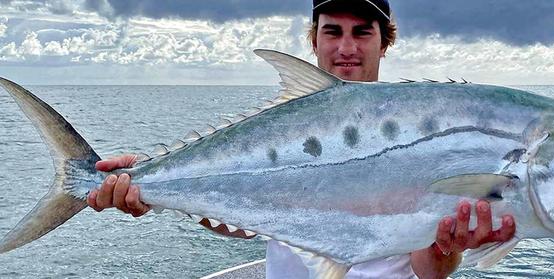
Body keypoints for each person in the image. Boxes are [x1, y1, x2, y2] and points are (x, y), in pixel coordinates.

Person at [87, 0, 516, 278]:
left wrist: (447, 244)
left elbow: (428, 269)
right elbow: (245, 227)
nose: (346, 46)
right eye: (333, 31)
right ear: (314, 40)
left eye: (362, 32)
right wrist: (151, 187)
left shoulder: (426, 129)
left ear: (385, 42)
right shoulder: (279, 128)